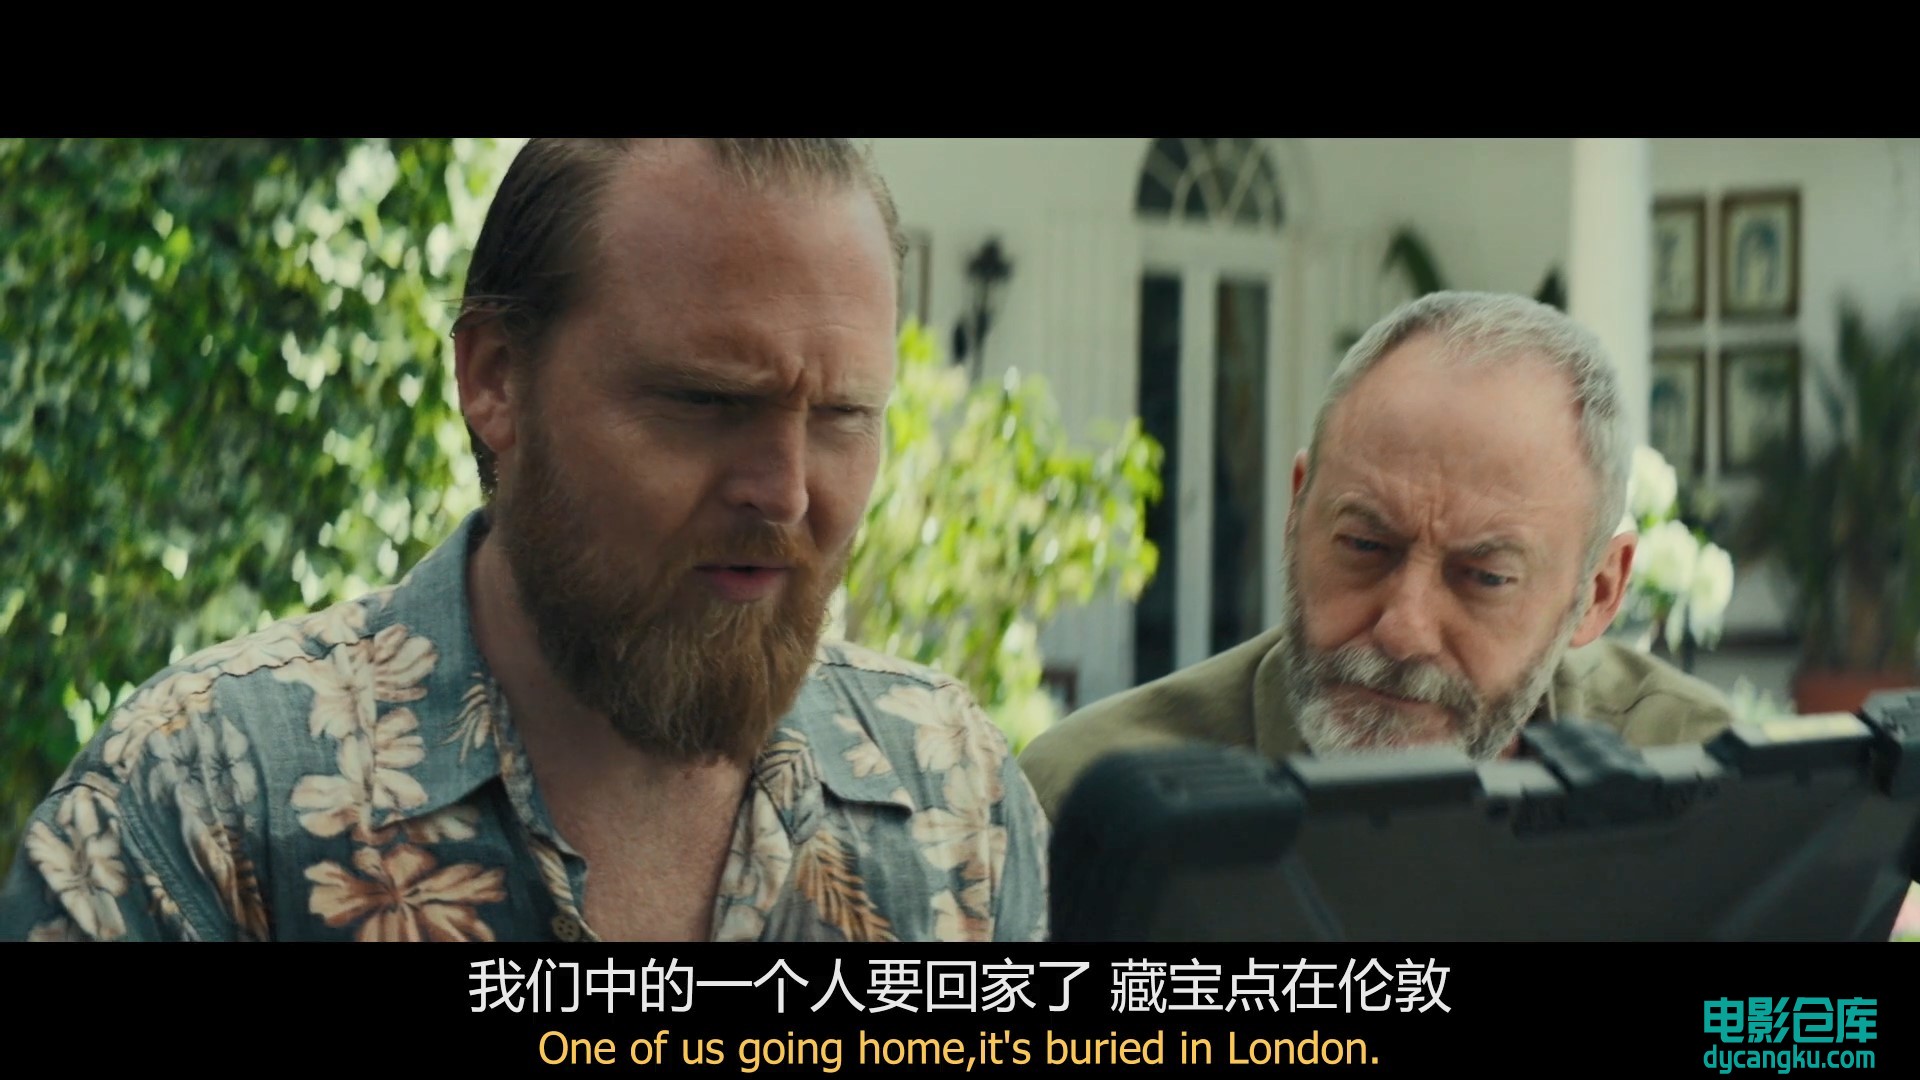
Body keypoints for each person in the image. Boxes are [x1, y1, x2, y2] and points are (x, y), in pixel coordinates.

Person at [1, 138, 1050, 943]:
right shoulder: (200, 804)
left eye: (844, 417)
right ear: (496, 379)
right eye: (704, 401)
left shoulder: (955, 799)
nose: (784, 492)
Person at [1020, 290, 1738, 821]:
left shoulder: (1697, 777)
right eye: (1365, 545)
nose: (1403, 629)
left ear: (1600, 592)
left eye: (1485, 578)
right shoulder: (1084, 804)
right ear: (1298, 510)